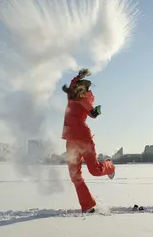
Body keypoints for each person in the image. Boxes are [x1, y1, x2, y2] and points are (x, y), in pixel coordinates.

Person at [61, 68, 115, 213]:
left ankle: (109, 166)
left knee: (95, 171)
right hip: (71, 140)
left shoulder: (84, 98)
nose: (77, 87)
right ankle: (88, 205)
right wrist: (79, 76)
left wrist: (96, 111)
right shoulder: (72, 97)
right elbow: (72, 85)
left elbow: (91, 112)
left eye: (81, 86)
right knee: (75, 175)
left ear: (84, 89)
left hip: (83, 138)